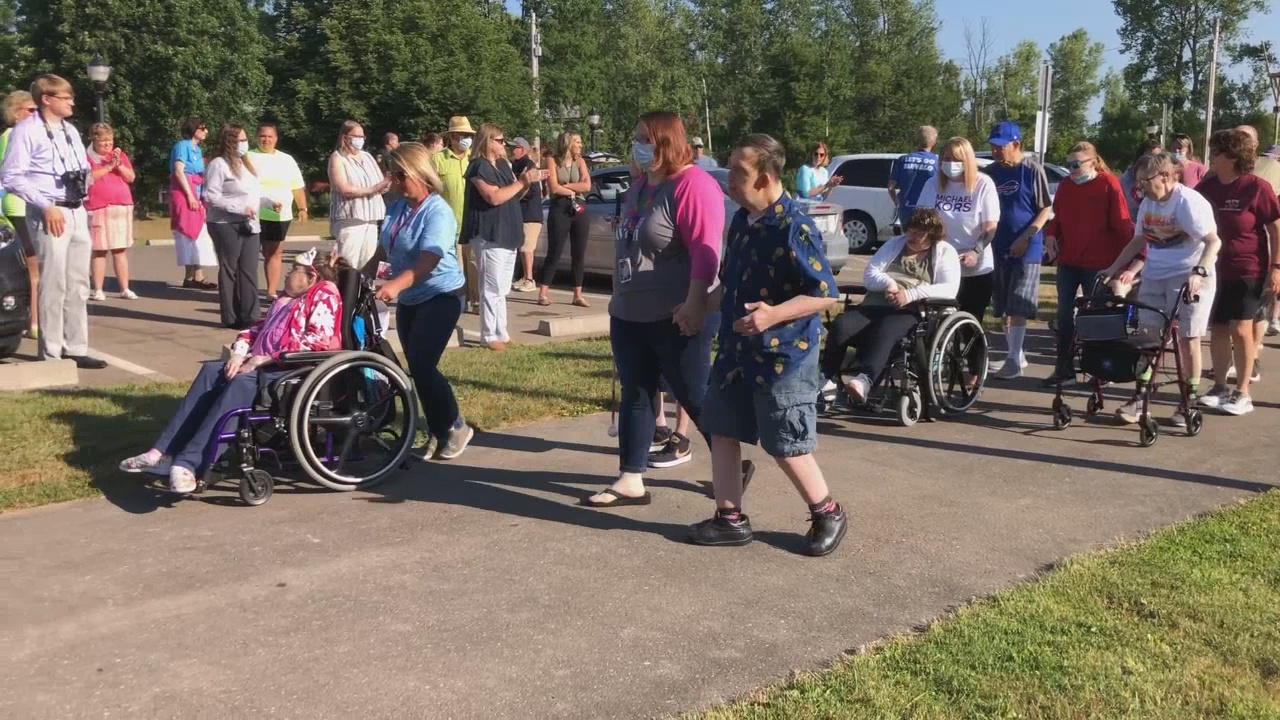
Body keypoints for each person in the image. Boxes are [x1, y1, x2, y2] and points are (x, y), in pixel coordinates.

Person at [688, 133, 845, 557]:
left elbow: (825, 293)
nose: (729, 179)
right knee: (722, 428)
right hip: (737, 351)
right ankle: (730, 518)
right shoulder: (742, 221)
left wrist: (773, 314)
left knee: (784, 442)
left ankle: (828, 512)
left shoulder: (795, 226)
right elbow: (730, 284)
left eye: (738, 172)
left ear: (766, 177)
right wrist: (695, 307)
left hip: (783, 356)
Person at [587, 110, 728, 508]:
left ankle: (730, 467)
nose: (637, 146)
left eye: (643, 139)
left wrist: (696, 304)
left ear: (666, 142)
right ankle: (630, 478)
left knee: (695, 397)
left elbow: (706, 252)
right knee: (637, 392)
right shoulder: (642, 185)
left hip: (678, 314)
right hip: (629, 312)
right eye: (636, 139)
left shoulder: (694, 185)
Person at [118, 249, 345, 493]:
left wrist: (264, 359)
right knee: (211, 372)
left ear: (311, 277)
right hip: (262, 363)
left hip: (291, 369)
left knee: (241, 383)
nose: (286, 274)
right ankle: (162, 453)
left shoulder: (325, 295)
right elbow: (255, 329)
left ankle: (189, 463)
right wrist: (239, 353)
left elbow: (319, 341)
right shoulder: (286, 300)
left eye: (293, 270)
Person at [1102, 152, 1221, 426]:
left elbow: (1214, 242)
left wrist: (1199, 272)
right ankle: (1140, 398)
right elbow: (1138, 241)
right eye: (1138, 182)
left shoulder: (1188, 202)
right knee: (1148, 338)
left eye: (1145, 181)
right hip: (1155, 275)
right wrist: (1113, 267)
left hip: (1189, 276)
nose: (1141, 188)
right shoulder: (1148, 203)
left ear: (1165, 176)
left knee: (1188, 338)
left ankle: (1187, 401)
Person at [374, 143, 474, 460]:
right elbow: (384, 250)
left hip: (442, 295)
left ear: (419, 173)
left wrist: (395, 285)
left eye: (400, 175)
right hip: (411, 297)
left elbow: (428, 261)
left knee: (422, 364)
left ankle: (456, 425)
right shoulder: (398, 207)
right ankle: (437, 432)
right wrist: (356, 274)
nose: (395, 181)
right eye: (393, 174)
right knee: (418, 369)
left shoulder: (438, 213)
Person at [0, 74, 106, 369]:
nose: (72, 102)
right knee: (53, 282)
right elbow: (11, 176)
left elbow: (81, 169)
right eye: (66, 97)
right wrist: (45, 206)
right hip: (50, 211)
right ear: (46, 99)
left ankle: (76, 347)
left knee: (78, 282)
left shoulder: (70, 130)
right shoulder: (27, 131)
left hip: (76, 209)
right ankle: (51, 352)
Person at [820, 207, 960, 400]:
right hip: (874, 305)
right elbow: (870, 274)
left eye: (918, 233)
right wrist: (888, 283)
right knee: (842, 325)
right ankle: (826, 378)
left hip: (911, 311)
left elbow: (949, 288)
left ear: (932, 234)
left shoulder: (945, 252)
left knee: (885, 329)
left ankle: (865, 380)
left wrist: (910, 295)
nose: (911, 236)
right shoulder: (895, 244)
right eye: (910, 230)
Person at [1195, 129, 1280, 416]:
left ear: (1232, 157)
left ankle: (1243, 392)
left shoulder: (1257, 188)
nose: (1212, 156)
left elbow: (1276, 229)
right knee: (1218, 327)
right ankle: (1219, 387)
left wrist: (1276, 267)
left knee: (1241, 328)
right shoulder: (1206, 188)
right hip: (1214, 268)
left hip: (1249, 267)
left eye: (1217, 151)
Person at [1042, 141, 1134, 386]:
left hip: (1099, 262)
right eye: (1069, 165)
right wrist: (1051, 235)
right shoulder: (1065, 185)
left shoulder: (1108, 183)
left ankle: (1101, 369)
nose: (1072, 170)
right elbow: (1058, 217)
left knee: (1096, 317)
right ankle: (1064, 370)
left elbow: (1122, 224)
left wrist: (1129, 260)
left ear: (1093, 162)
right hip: (1069, 261)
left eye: (1077, 165)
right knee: (1064, 316)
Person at [983, 121, 1053, 380]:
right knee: (1002, 305)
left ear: (1016, 144)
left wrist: (1027, 236)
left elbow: (1045, 208)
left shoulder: (1032, 169)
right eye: (993, 146)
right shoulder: (990, 173)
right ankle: (1015, 352)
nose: (996, 151)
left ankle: (1013, 360)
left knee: (1019, 303)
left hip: (1027, 246)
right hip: (997, 245)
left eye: (1001, 146)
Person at [461, 123, 539, 351]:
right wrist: (521, 182)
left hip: (508, 230)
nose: (505, 145)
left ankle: (501, 332)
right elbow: (493, 197)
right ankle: (488, 335)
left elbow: (513, 194)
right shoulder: (478, 166)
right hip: (489, 232)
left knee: (502, 288)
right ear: (488, 141)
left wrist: (526, 183)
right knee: (491, 286)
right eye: (501, 140)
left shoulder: (504, 164)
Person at [915, 136, 1000, 324]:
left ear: (967, 161)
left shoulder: (983, 184)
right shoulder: (932, 184)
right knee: (937, 320)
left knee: (969, 319)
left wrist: (975, 251)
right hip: (940, 263)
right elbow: (921, 220)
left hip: (974, 267)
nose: (950, 164)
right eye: (946, 159)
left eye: (956, 160)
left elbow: (990, 227)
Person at [204, 124, 263, 329]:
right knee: (230, 270)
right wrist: (237, 208)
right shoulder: (218, 165)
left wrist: (270, 203)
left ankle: (251, 316)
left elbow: (253, 194)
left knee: (249, 270)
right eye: (239, 140)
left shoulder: (247, 165)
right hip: (225, 224)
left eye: (245, 140)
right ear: (229, 142)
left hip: (250, 224)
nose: (244, 144)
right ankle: (231, 317)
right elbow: (210, 196)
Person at [249, 122, 308, 297]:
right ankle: (247, 291)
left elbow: (297, 186)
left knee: (274, 253)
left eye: (270, 136)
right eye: (262, 136)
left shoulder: (286, 160)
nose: (266, 140)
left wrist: (302, 208)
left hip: (279, 216)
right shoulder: (248, 157)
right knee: (249, 254)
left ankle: (271, 291)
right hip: (253, 214)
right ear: (256, 137)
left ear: (276, 138)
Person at [1, 90, 39, 338]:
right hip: (20, 205)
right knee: (35, 266)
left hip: (15, 205)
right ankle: (35, 322)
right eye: (31, 110)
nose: (36, 114)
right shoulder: (15, 136)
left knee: (25, 265)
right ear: (16, 113)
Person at [84, 123, 137, 301]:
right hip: (99, 207)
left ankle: (125, 288)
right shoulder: (86, 157)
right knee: (100, 250)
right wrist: (107, 167)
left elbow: (131, 177)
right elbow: (88, 179)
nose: (108, 145)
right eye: (103, 141)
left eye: (110, 141)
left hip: (121, 206)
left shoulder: (119, 155)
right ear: (94, 140)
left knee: (119, 250)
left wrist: (118, 165)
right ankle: (98, 289)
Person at [538, 131, 592, 307]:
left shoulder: (580, 161)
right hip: (560, 207)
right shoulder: (552, 160)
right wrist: (574, 189)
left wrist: (567, 187)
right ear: (568, 143)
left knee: (579, 252)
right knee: (555, 250)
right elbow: (554, 188)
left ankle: (577, 294)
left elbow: (587, 185)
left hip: (579, 207)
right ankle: (543, 292)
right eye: (578, 142)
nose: (581, 145)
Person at [328, 120, 388, 272]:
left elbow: (380, 183)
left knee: (368, 262)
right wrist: (374, 188)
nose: (360, 140)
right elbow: (344, 188)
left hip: (371, 218)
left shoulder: (367, 157)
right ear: (345, 137)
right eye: (356, 136)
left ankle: (364, 287)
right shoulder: (337, 158)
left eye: (362, 136)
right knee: (348, 263)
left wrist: (386, 183)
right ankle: (345, 287)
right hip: (350, 219)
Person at [434, 116, 478, 313]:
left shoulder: (475, 158)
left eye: (469, 135)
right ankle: (458, 302)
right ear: (452, 137)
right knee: (455, 267)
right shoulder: (438, 159)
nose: (467, 139)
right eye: (462, 135)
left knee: (475, 264)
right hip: (450, 225)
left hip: (473, 223)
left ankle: (477, 301)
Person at [169, 117, 218, 289]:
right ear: (193, 129)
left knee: (198, 234)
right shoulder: (183, 146)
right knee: (188, 232)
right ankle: (192, 276)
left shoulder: (197, 149)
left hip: (196, 194)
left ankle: (196, 275)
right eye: (202, 128)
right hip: (184, 194)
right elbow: (179, 171)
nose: (206, 131)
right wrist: (190, 195)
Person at [508, 137, 543, 293]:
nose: (511, 151)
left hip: (531, 213)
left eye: (514, 148)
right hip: (522, 212)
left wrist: (514, 194)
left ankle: (529, 279)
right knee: (522, 247)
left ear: (522, 149)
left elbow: (532, 191)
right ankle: (524, 276)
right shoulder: (517, 164)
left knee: (527, 248)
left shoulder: (528, 165)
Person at [887, 125, 938, 225]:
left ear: (917, 140)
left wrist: (897, 203)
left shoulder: (903, 160)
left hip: (905, 209)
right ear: (934, 142)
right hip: (928, 211)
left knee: (907, 234)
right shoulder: (937, 161)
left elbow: (890, 187)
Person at [1119, 139, 1163, 221]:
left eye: (1158, 157)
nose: (1154, 161)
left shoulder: (1162, 176)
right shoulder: (1128, 178)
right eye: (1151, 156)